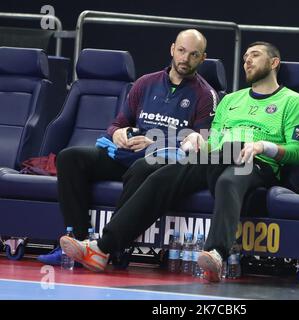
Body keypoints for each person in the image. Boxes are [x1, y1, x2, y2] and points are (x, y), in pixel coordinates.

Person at [60, 41, 299, 282]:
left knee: (228, 182)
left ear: (274, 62)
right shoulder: (232, 100)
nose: (247, 60)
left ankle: (216, 254)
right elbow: (213, 142)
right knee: (161, 177)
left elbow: (298, 151)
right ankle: (102, 249)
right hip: (218, 156)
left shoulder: (293, 101)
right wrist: (196, 141)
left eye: (255, 55)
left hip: (257, 162)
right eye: (245, 56)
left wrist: (263, 146)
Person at [38, 29, 218, 266]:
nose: (185, 59)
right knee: (70, 157)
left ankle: (113, 248)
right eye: (182, 51)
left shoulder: (206, 95)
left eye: (193, 55)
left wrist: (156, 142)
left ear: (202, 58)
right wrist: (118, 133)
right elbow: (117, 124)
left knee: (143, 166)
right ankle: (79, 240)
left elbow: (200, 143)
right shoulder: (146, 83)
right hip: (127, 154)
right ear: (172, 49)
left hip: (161, 160)